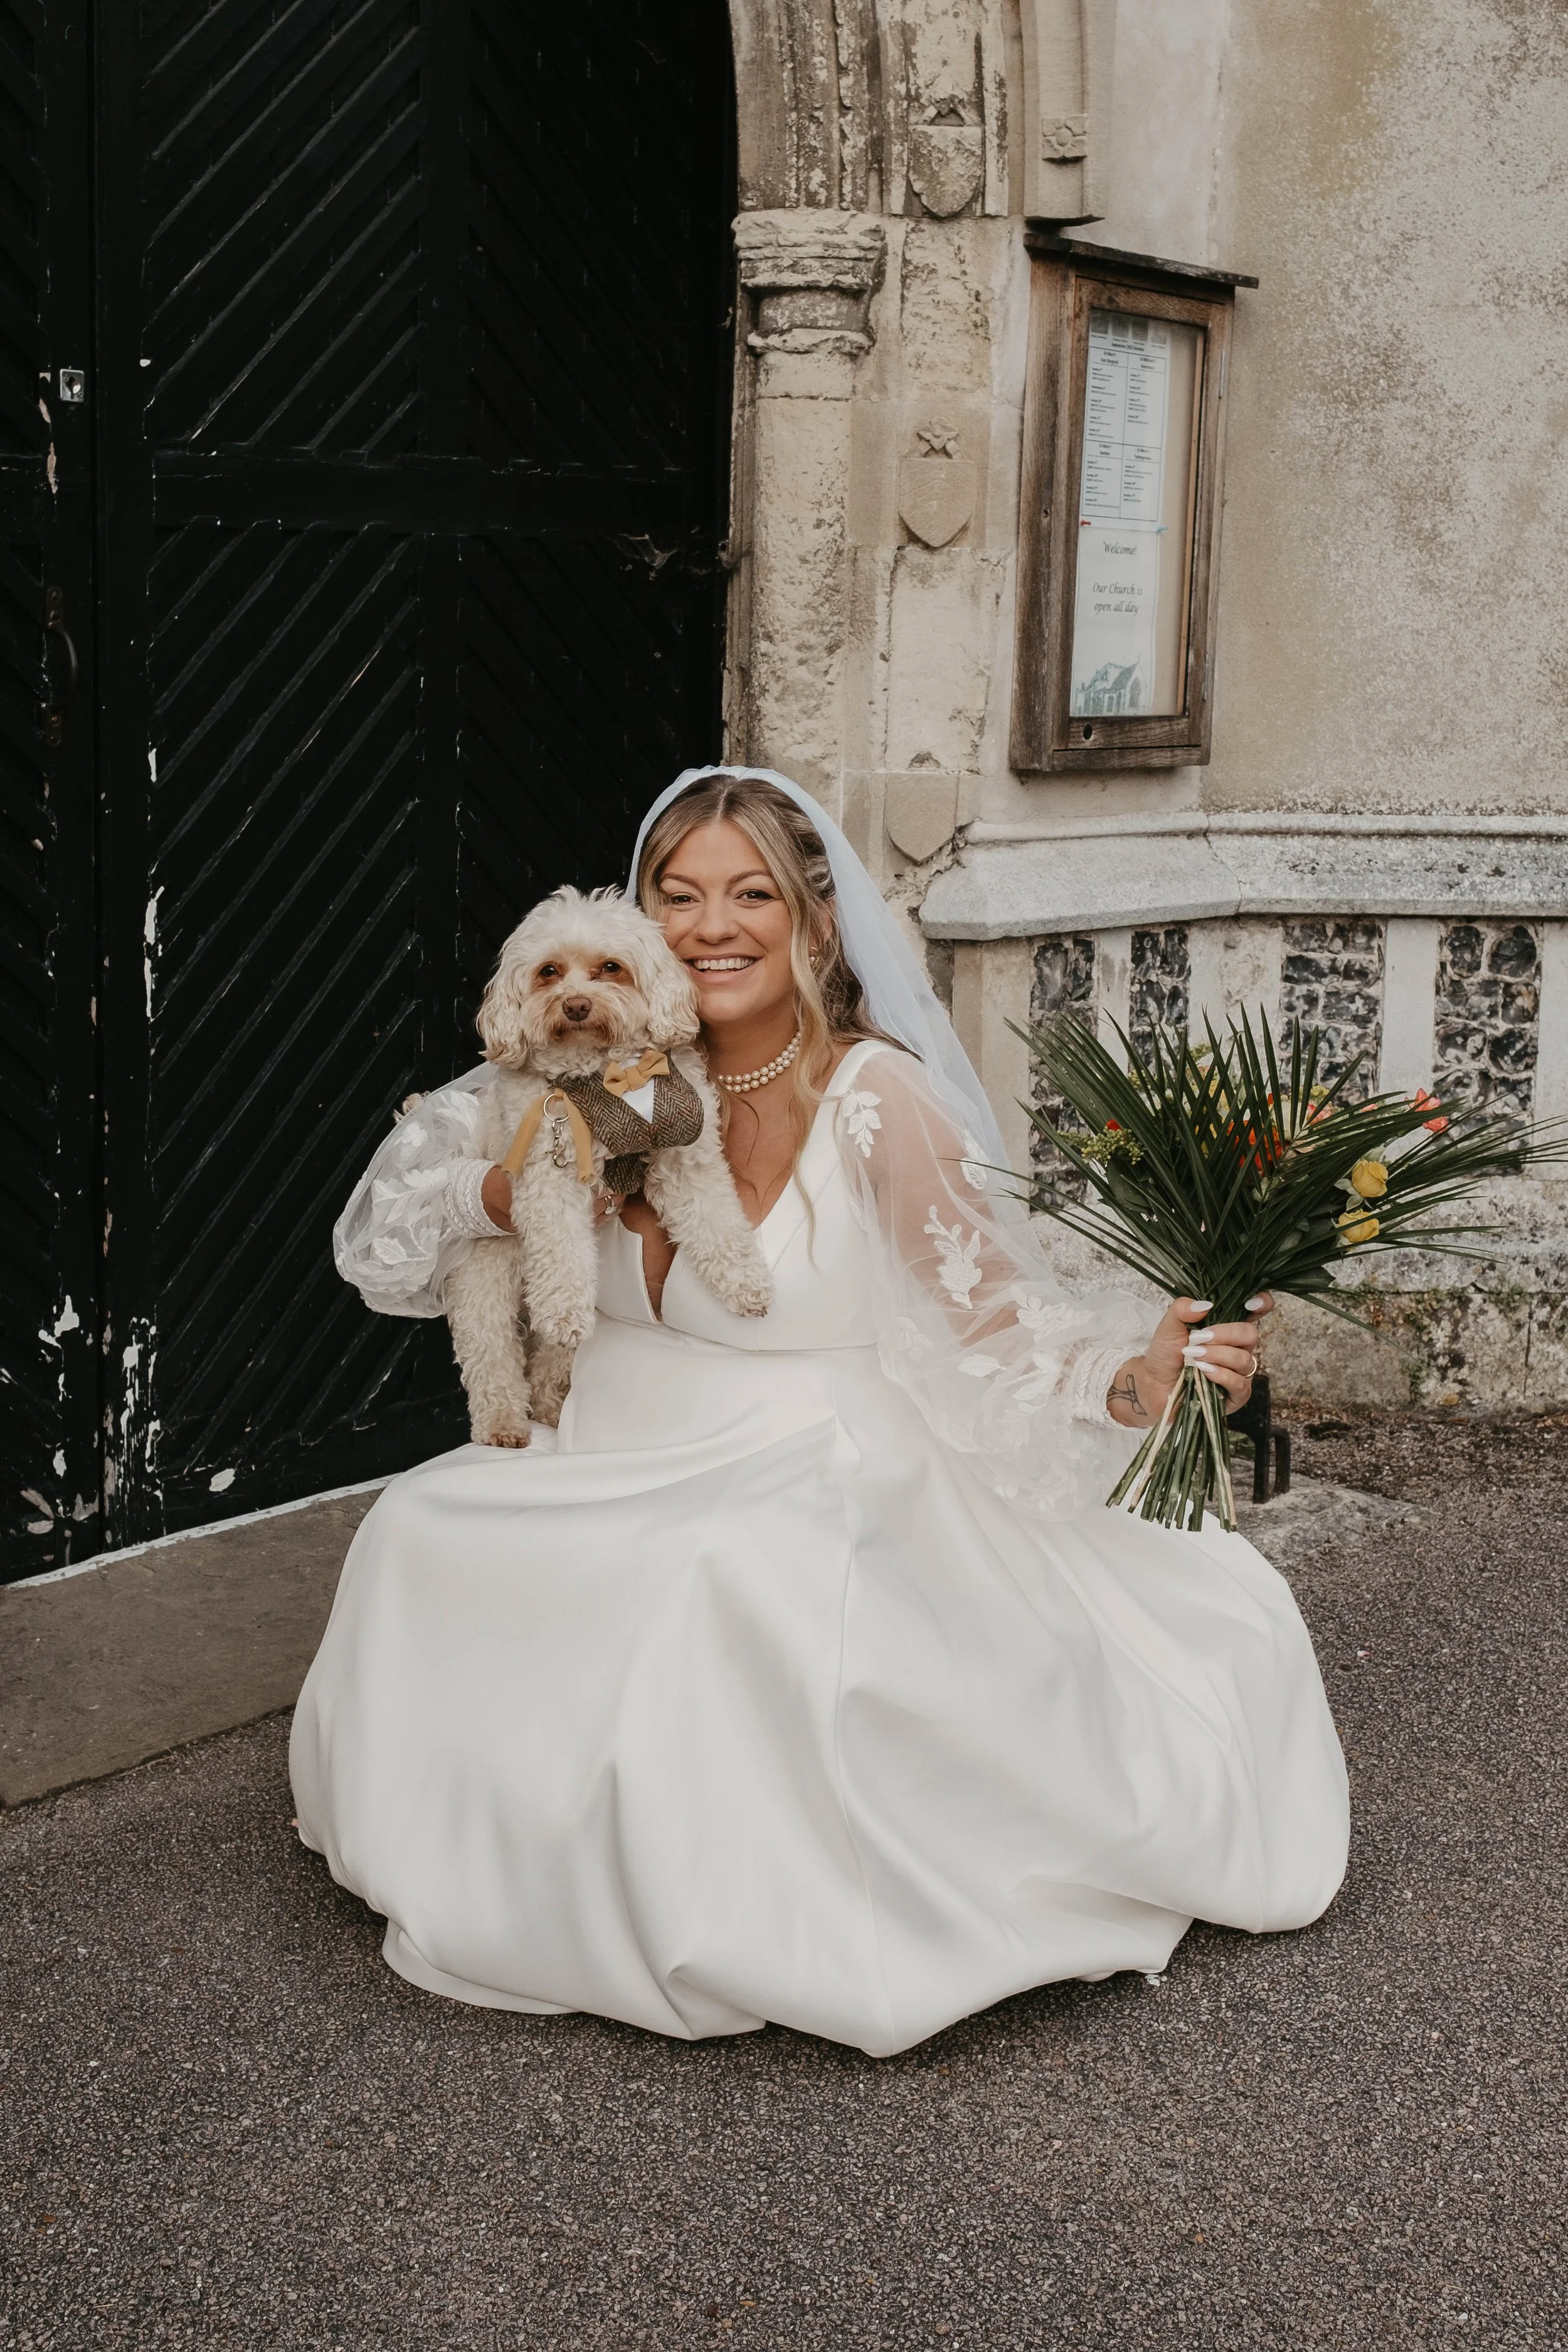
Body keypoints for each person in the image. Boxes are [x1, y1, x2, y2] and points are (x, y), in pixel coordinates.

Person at [292, 767, 1347, 2056]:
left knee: (718, 1580)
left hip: (812, 1455)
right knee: (420, 1525)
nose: (710, 926)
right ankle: (488, 1854)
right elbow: (381, 1244)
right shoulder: (587, 1055)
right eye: (675, 896)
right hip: (609, 1444)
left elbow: (989, 1314)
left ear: (815, 923)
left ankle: (698, 1907)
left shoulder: (873, 1097)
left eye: (751, 895)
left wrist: (1136, 1381)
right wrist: (512, 1193)